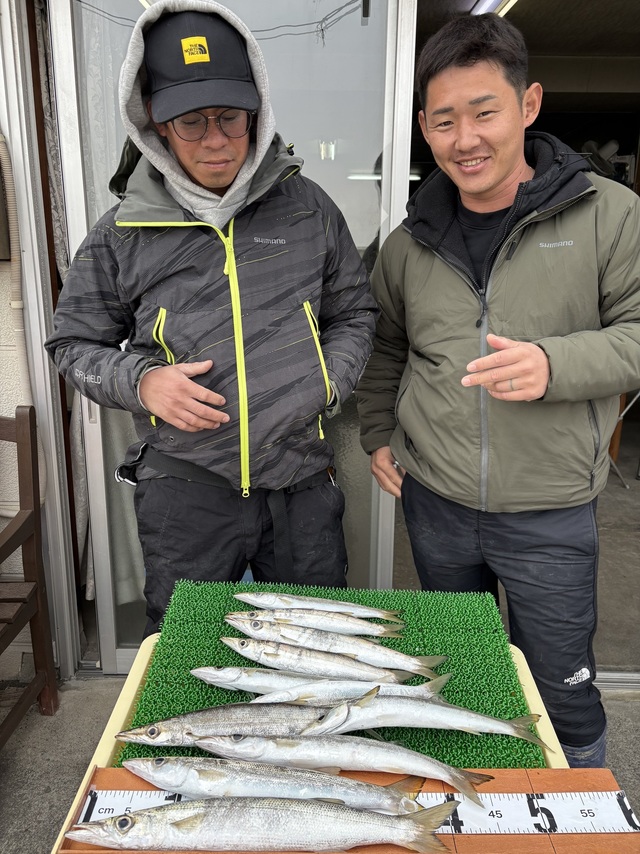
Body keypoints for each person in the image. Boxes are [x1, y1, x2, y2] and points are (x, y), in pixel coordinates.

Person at [356, 12, 640, 768]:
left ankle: (574, 812)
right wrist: (377, 433)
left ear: (529, 104)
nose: (465, 139)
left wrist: (557, 363)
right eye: (444, 120)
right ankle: (480, 800)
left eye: (484, 112)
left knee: (562, 692)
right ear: (424, 127)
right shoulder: (409, 242)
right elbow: (387, 347)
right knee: (461, 676)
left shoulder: (608, 214)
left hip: (551, 509)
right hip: (437, 502)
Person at [46, 0, 377, 636]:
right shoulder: (123, 232)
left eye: (230, 117)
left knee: (315, 649)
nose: (216, 139)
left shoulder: (308, 210)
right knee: (188, 654)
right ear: (155, 123)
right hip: (185, 492)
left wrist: (326, 381)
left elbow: (355, 312)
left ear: (257, 110)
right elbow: (73, 344)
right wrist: (142, 381)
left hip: (300, 484)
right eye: (191, 122)